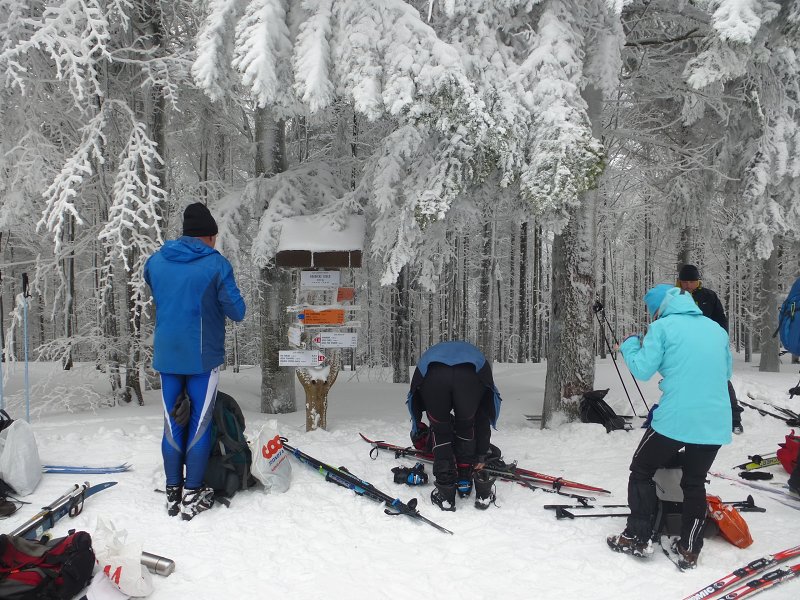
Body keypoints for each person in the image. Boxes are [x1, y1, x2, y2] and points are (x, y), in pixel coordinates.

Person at [607, 284, 732, 570]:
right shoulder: (716, 330)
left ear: (659, 308)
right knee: (694, 481)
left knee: (641, 469)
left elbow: (642, 369)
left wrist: (629, 344)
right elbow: (725, 372)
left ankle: (637, 537)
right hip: (715, 418)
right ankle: (689, 549)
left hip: (677, 416)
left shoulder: (662, 327)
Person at [144, 203, 246, 520]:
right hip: (202, 357)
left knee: (173, 425)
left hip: (167, 354)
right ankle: (192, 491)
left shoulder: (156, 261)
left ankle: (172, 489)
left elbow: (159, 292)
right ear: (210, 237)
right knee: (200, 425)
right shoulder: (216, 265)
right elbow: (237, 311)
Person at [406, 341, 502, 511]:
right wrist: (480, 455)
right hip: (471, 374)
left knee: (440, 427)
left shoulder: (431, 354)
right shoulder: (478, 359)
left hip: (432, 373)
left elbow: (415, 397)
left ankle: (445, 490)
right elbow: (482, 417)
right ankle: (464, 478)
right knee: (466, 425)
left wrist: (417, 431)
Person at [677, 264, 744, 434]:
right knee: (685, 383)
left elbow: (721, 320)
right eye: (684, 281)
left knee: (721, 381)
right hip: (684, 350)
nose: (688, 285)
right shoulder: (674, 296)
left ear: (697, 280)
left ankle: (734, 420)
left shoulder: (709, 296)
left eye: (691, 281)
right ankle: (690, 419)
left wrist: (720, 340)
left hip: (709, 348)